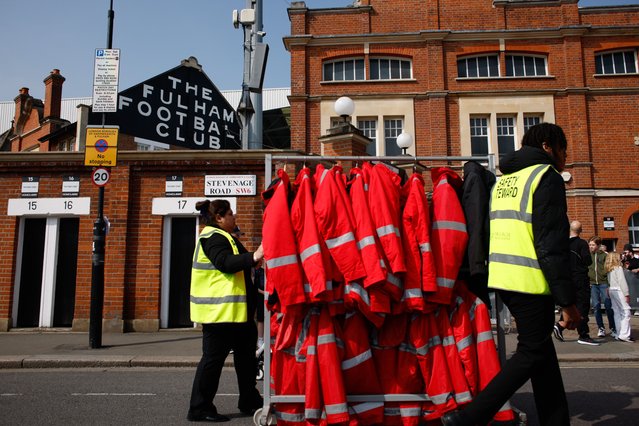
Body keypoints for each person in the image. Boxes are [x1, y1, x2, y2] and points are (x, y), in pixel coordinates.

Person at [441, 122, 580, 425]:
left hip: (504, 278)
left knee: (543, 356)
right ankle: (468, 419)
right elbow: (551, 244)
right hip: (531, 281)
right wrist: (567, 302)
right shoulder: (546, 177)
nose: (565, 157)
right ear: (547, 146)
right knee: (531, 354)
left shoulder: (506, 180)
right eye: (563, 149)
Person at [187, 199, 264, 422]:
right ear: (219, 217)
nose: (234, 217)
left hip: (236, 314)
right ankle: (199, 408)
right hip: (219, 314)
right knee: (212, 361)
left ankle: (249, 399)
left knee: (247, 360)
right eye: (231, 213)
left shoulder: (227, 237)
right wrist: (254, 256)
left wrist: (252, 260)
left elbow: (243, 260)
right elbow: (225, 263)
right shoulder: (212, 237)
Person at [554, 221, 599, 345]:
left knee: (571, 305)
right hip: (580, 278)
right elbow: (587, 261)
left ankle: (560, 326)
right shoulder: (581, 243)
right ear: (580, 230)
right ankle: (583, 335)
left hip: (567, 279)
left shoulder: (563, 244)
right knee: (583, 306)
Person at [588, 236, 616, 338]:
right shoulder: (588, 255)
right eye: (590, 244)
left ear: (598, 245)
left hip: (604, 283)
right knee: (596, 306)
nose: (591, 246)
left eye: (593, 245)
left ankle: (613, 328)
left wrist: (608, 283)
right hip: (593, 284)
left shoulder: (604, 255)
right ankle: (601, 328)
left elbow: (609, 269)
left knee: (608, 306)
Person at [606, 252, 634, 342]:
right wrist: (626, 294)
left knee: (617, 312)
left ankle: (619, 333)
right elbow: (622, 282)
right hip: (619, 290)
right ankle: (624, 335)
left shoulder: (609, 269)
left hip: (612, 290)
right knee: (626, 311)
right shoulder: (618, 268)